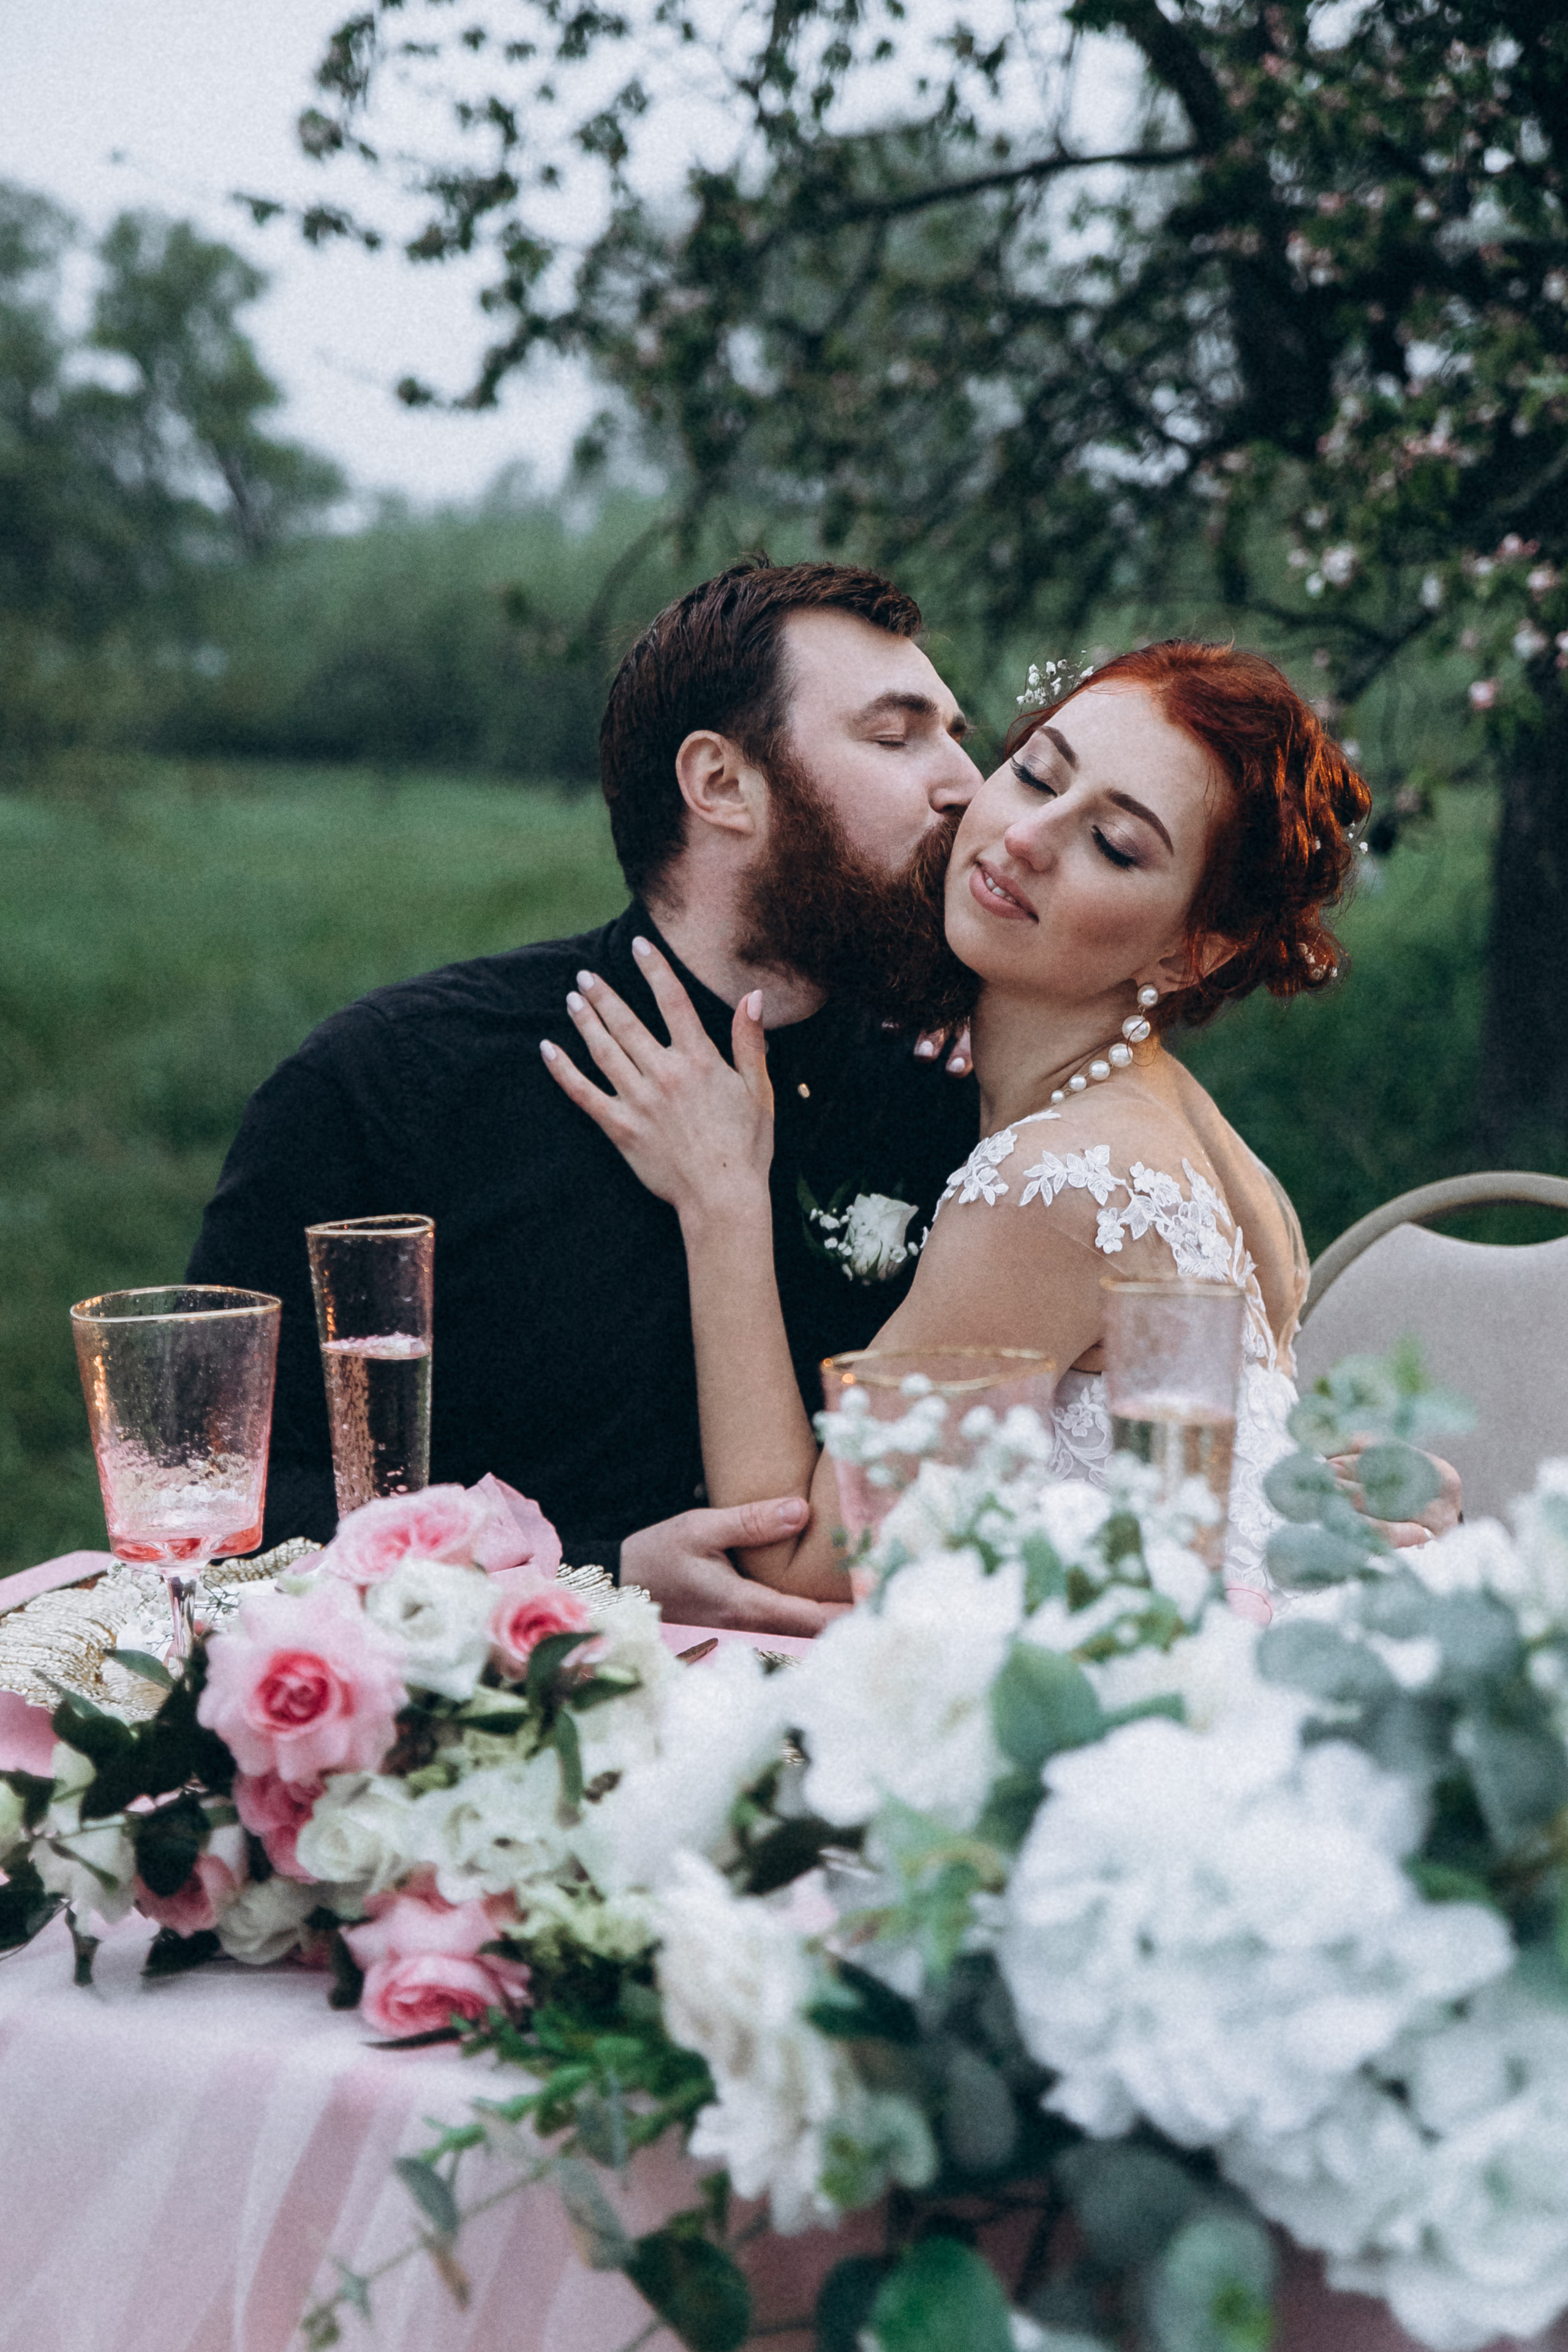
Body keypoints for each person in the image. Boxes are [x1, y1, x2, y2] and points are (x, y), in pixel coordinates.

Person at [543, 639, 1458, 1599]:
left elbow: (801, 1561)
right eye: (1035, 774)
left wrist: (723, 1199)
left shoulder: (1053, 1190)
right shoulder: (1204, 1142)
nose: (1027, 836)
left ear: (1192, 954)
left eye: (1114, 844)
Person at [185, 557, 984, 1635]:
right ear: (721, 786)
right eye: (896, 738)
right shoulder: (392, 1087)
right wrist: (587, 1577)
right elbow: (207, 1502)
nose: (966, 786)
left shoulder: (950, 1092)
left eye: (957, 736)